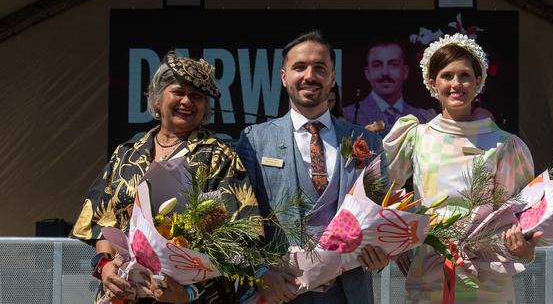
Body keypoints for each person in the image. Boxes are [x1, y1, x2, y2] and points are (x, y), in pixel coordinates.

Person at [71, 52, 256, 304]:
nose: (187, 101)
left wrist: (188, 292)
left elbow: (232, 241)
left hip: (190, 297)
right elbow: (104, 224)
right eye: (179, 92)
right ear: (157, 99)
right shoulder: (126, 155)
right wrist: (104, 267)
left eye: (197, 96)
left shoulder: (219, 157)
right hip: (124, 293)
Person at [383, 33, 542, 303]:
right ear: (433, 83)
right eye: (447, 76)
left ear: (478, 82)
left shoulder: (505, 145)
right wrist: (395, 241)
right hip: (430, 275)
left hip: (488, 279)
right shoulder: (414, 137)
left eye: (465, 76)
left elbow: (524, 214)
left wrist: (525, 248)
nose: (456, 84)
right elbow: (383, 196)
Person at [236, 31, 389, 304]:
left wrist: (380, 253)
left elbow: (380, 218)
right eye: (299, 67)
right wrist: (260, 272)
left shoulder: (367, 142)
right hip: (280, 292)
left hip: (349, 294)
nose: (309, 76)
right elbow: (240, 223)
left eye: (320, 68)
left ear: (332, 77)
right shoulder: (254, 141)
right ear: (284, 77)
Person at [343, 40, 435, 135]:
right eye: (377, 65)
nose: (385, 73)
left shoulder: (424, 118)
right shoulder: (348, 116)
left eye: (393, 64)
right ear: (367, 73)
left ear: (405, 71)